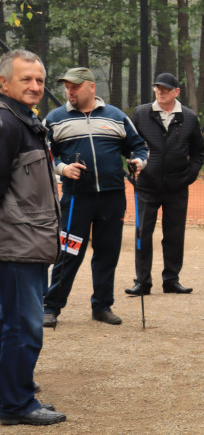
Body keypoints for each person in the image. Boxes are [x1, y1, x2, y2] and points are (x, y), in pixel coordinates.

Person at [42, 67, 148, 327]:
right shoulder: (55, 119)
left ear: (91, 87)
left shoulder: (116, 116)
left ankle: (102, 306)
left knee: (107, 251)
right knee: (69, 252)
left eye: (75, 86)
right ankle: (51, 307)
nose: (70, 91)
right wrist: (63, 169)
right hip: (76, 198)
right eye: (67, 86)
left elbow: (138, 146)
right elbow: (43, 152)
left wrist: (138, 161)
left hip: (112, 197)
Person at [0, 49, 66, 426]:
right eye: (26, 79)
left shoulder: (26, 121)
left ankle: (12, 386)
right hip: (15, 245)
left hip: (28, 243)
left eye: (39, 80)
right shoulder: (7, 124)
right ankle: (15, 404)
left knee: (12, 322)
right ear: (4, 82)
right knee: (23, 324)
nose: (35, 86)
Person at [127, 72, 204, 297]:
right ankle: (142, 282)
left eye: (165, 89)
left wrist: (189, 176)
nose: (160, 92)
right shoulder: (141, 113)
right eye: (157, 88)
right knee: (143, 233)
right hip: (147, 185)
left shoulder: (189, 117)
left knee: (174, 234)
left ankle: (171, 280)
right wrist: (133, 164)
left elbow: (198, 152)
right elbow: (130, 145)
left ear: (176, 92)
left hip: (177, 187)